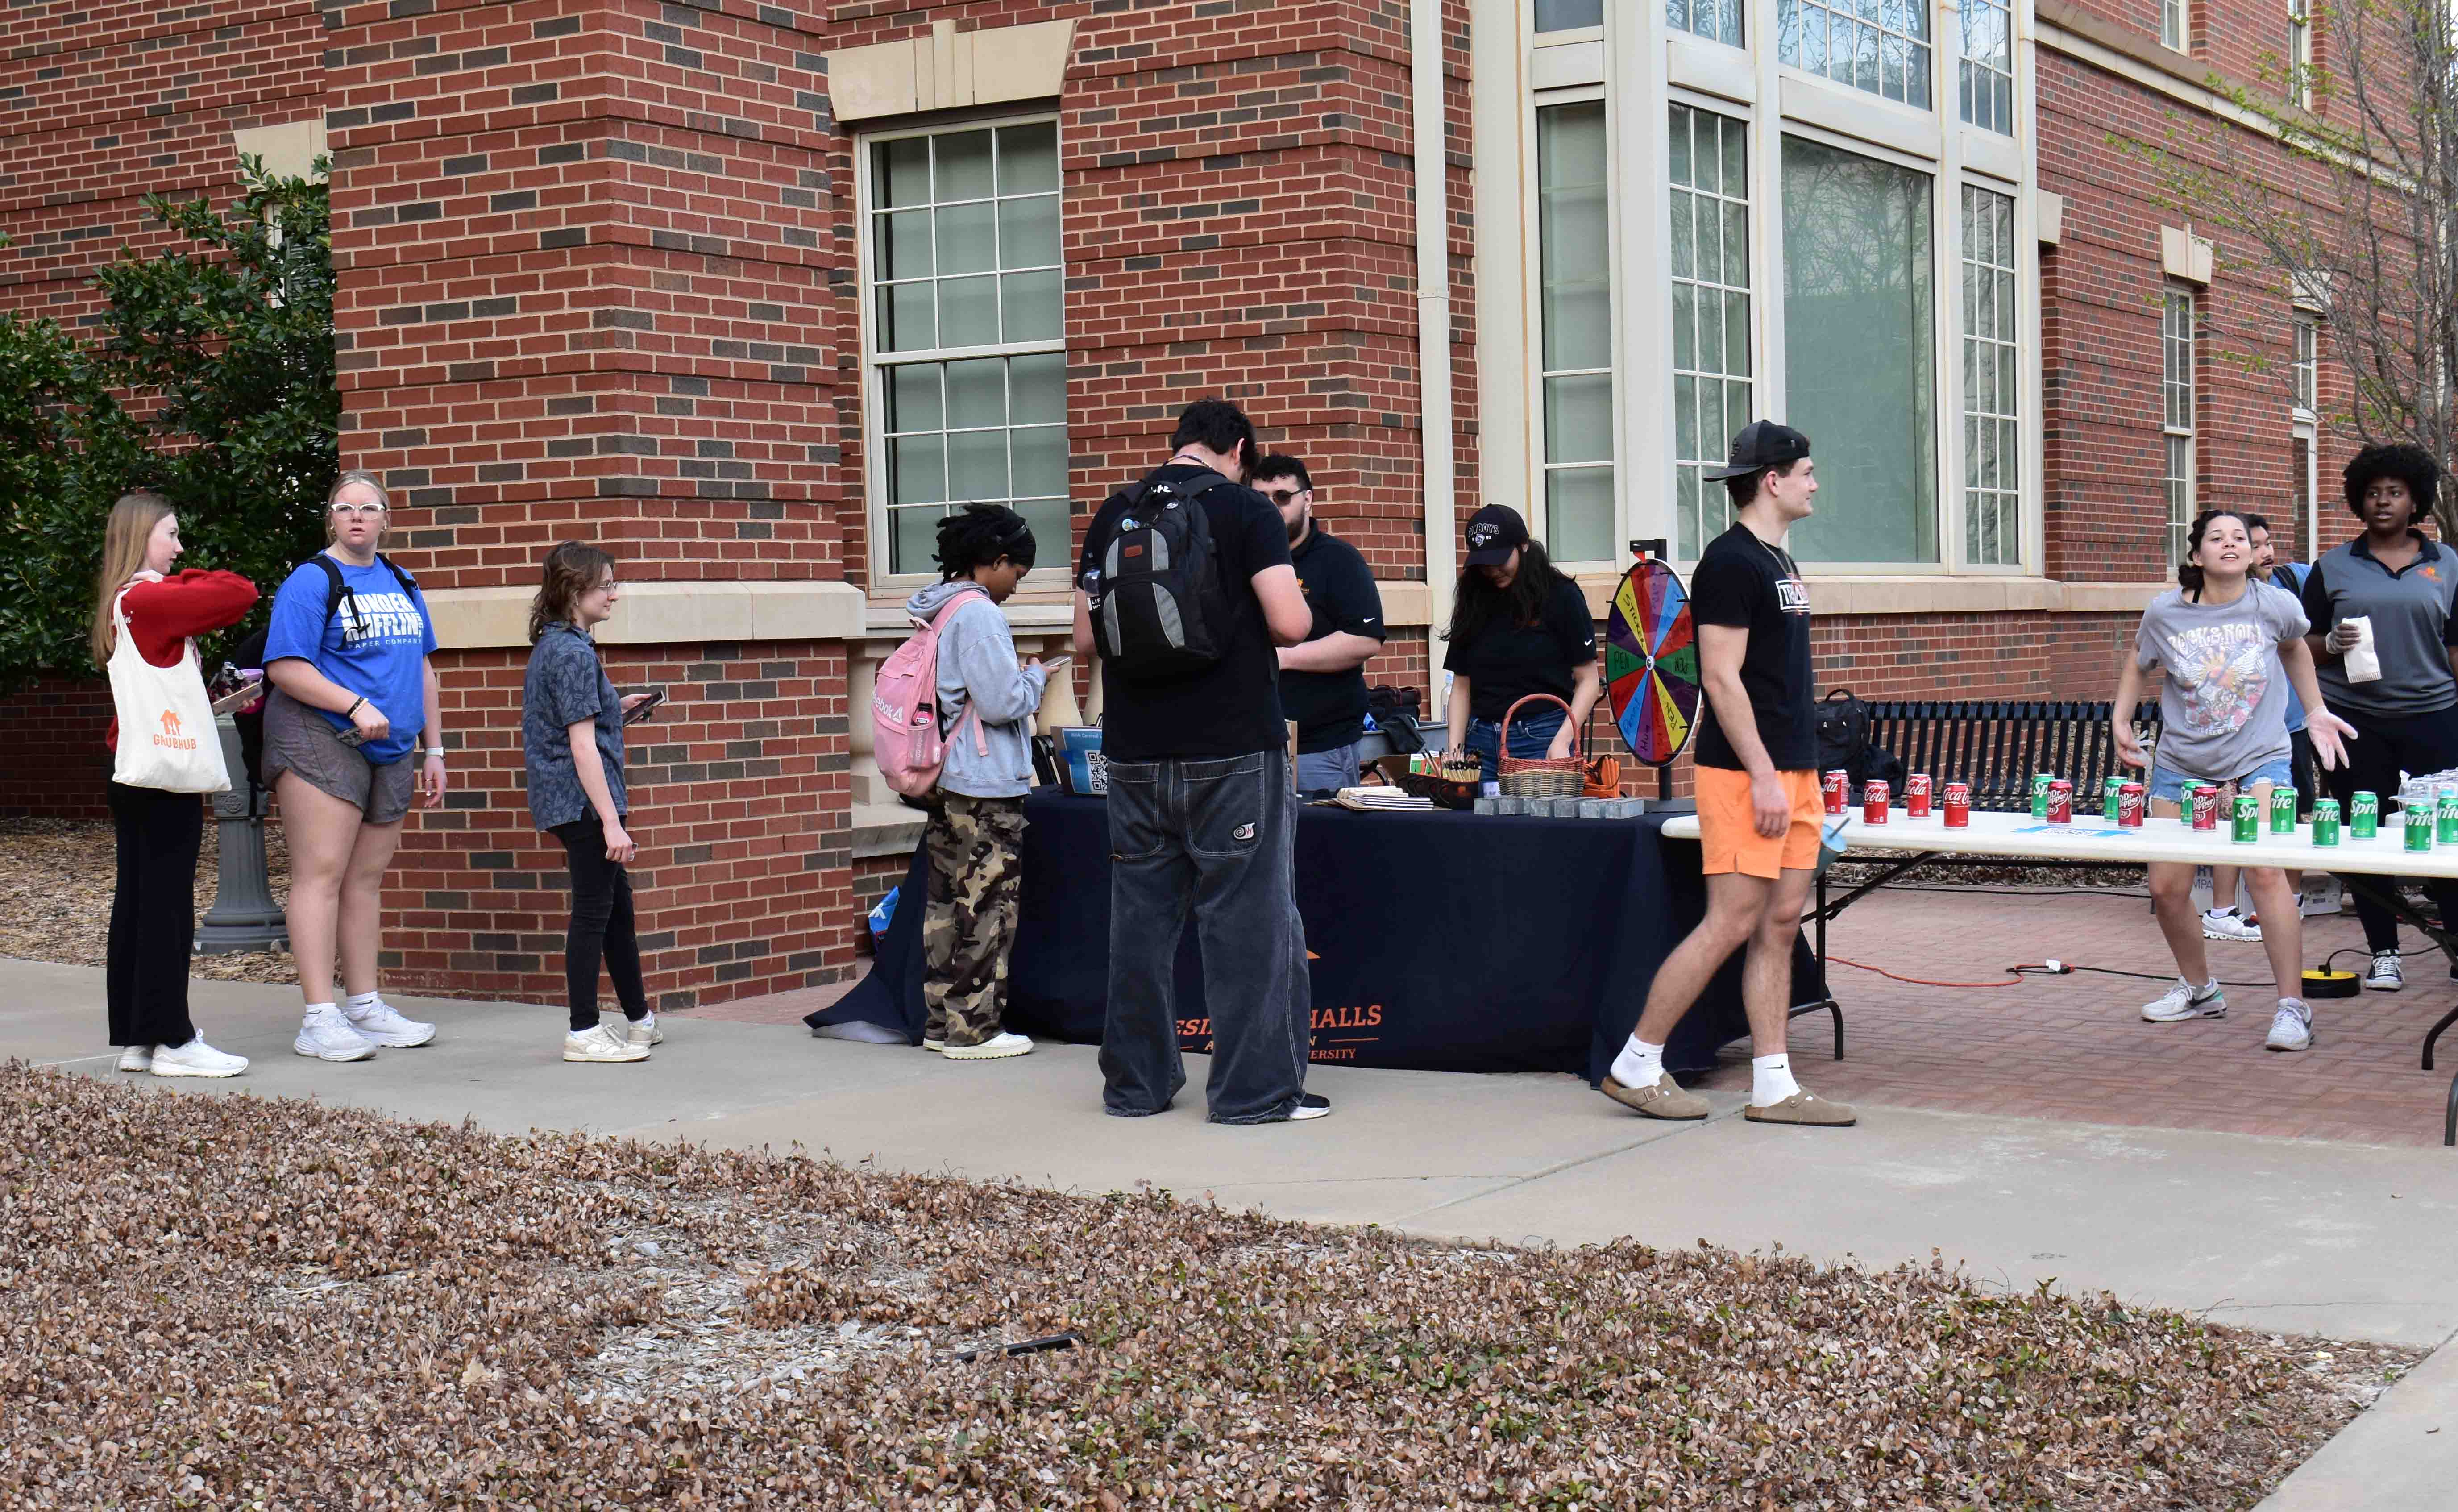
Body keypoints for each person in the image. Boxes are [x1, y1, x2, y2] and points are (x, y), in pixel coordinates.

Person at [1074, 398, 1323, 1123]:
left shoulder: (1113, 512)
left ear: (1178, 443)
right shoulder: (1246, 511)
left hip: (1132, 754)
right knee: (1247, 925)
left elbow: (1085, 640)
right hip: (1232, 748)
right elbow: (1290, 623)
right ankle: (1252, 1094)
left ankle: (1136, 1086)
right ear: (1238, 449)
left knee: (1139, 929)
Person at [1601, 421, 1852, 1126]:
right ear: (1772, 479)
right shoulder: (1730, 563)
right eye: (1806, 471)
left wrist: (1796, 774)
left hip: (1794, 770)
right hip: (1746, 774)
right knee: (1731, 920)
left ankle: (1773, 1086)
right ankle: (1636, 1063)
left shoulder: (1778, 561)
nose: (1815, 483)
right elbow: (1719, 676)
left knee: (1779, 922)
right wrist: (1765, 775)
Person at [2110, 509, 2352, 1052]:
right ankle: (2200, 990)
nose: (2230, 543)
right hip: (2182, 762)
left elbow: (2295, 647)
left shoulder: (2274, 603)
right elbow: (2139, 660)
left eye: (2239, 537)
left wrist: (2315, 709)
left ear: (2250, 552)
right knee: (2167, 889)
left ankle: (2292, 1007)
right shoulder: (2166, 611)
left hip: (2260, 754)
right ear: (2197, 555)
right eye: (2216, 537)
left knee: (2265, 870)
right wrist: (2121, 719)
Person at [263, 470, 443, 1061]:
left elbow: (422, 669)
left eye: (369, 507)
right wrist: (354, 704)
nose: (357, 516)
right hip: (323, 737)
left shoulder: (401, 581)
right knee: (321, 873)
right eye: (345, 507)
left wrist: (435, 749)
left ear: (387, 519)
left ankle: (365, 1006)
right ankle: (319, 1018)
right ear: (331, 519)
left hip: (393, 747)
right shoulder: (312, 580)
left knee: (366, 879)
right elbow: (286, 667)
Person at [92, 490, 259, 1078]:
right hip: (165, 775)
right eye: (171, 534)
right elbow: (239, 592)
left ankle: (139, 1036)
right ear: (142, 537)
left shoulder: (123, 601)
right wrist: (179, 577)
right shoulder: (149, 598)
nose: (179, 548)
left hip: (132, 766)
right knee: (167, 906)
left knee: (139, 902)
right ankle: (174, 1039)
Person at [2298, 444, 2458, 992]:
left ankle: (2457, 945)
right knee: (2362, 833)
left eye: (2395, 492)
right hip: (2354, 721)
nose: (2383, 502)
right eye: (2372, 493)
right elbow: (2302, 647)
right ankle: (2384, 951)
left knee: (2445, 835)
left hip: (2434, 717)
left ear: (2416, 500)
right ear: (2358, 500)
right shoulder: (2332, 567)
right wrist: (2331, 644)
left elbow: (2455, 647)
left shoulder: (2448, 564)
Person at [905, 504, 1050, 1061]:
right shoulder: (980, 615)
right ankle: (976, 1029)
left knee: (947, 904)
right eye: (1018, 573)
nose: (1016, 586)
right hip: (985, 782)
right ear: (997, 559)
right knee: (989, 905)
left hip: (947, 775)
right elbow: (1001, 702)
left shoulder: (940, 607)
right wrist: (1035, 677)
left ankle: (942, 1021)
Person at [522, 542, 664, 1065]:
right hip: (583, 802)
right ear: (574, 590)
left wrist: (614, 707)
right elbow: (581, 746)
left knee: (615, 909)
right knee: (593, 912)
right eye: (606, 585)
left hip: (572, 798)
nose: (614, 594)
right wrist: (611, 823)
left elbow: (573, 724)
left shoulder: (558, 645)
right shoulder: (572, 653)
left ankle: (639, 1019)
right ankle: (583, 1029)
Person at [2204, 514, 2314, 939]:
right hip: (2233, 731)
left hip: (2289, 727)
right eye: (2258, 544)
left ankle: (2292, 899)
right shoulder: (2218, 602)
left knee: (2290, 812)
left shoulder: (2289, 586)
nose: (2267, 552)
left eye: (2268, 543)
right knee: (2232, 815)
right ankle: (2222, 909)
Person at [1438, 504, 1601, 783]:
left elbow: (1589, 681)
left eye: (1500, 560)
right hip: (1480, 741)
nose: (1492, 571)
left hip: (1542, 737)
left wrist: (1562, 741)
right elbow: (1461, 685)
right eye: (1484, 564)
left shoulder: (1561, 596)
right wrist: (1455, 752)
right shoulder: (1474, 596)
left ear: (1523, 546)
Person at [1255, 454, 1386, 792]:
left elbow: (1365, 639)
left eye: (1283, 497)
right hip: (1250, 746)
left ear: (1308, 499)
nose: (1271, 506)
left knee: (1320, 828)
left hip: (1320, 747)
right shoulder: (1240, 561)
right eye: (1261, 498)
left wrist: (1284, 657)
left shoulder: (1338, 559)